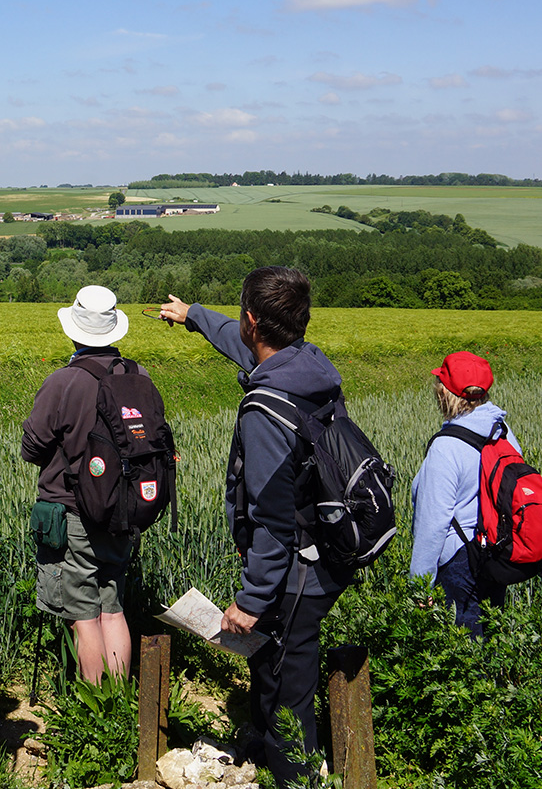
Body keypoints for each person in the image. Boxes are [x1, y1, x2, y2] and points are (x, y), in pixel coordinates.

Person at [157, 271, 351, 789]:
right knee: (273, 668)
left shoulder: (266, 412)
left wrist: (252, 598)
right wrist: (195, 316)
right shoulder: (307, 369)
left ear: (251, 321)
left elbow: (271, 514)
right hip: (321, 557)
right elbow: (249, 352)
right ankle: (269, 755)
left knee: (290, 693)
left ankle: (296, 777)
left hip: (294, 571)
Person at [21, 284, 146, 682]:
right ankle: (119, 702)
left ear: (75, 331)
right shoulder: (137, 376)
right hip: (124, 512)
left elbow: (32, 445)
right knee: (112, 607)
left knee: (82, 617)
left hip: (73, 514)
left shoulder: (65, 380)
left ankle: (94, 708)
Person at [410, 351, 511, 637]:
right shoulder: (500, 429)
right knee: (491, 640)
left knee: (462, 651)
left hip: (459, 560)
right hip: (494, 552)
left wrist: (419, 585)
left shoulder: (446, 448)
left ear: (445, 392)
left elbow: (433, 524)